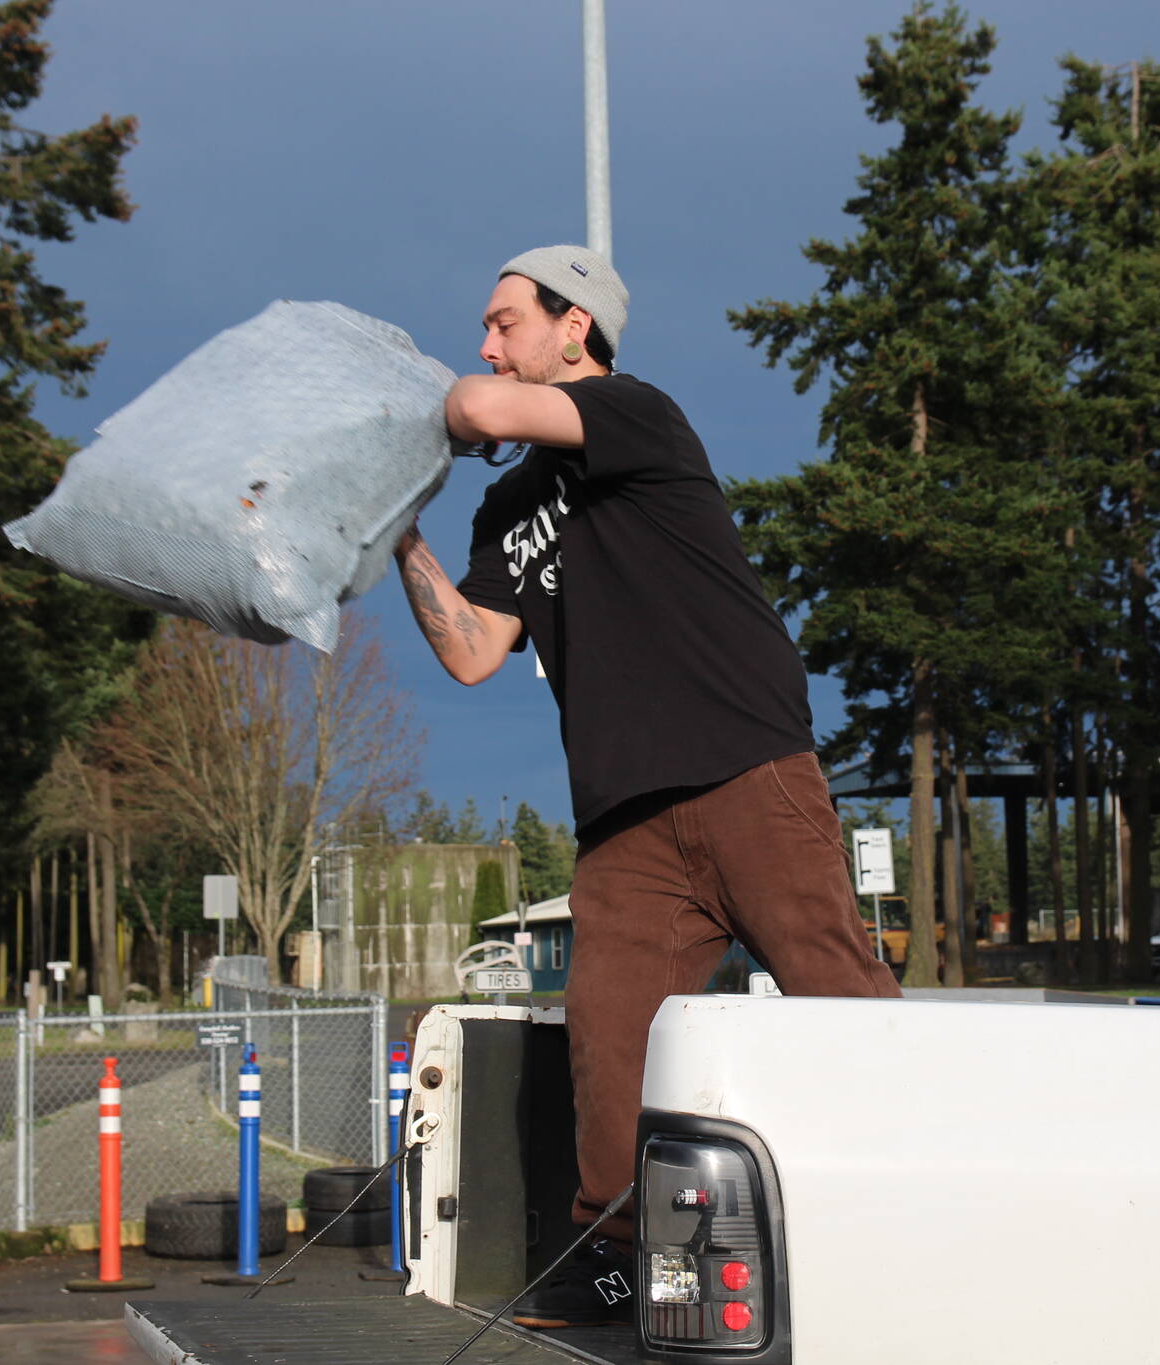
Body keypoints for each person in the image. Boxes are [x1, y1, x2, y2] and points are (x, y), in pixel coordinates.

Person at [394, 245, 901, 1327]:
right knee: (608, 1032)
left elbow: (478, 407)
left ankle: (910, 1209)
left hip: (741, 765)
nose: (485, 344)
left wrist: (403, 415)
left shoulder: (634, 416)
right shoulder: (505, 512)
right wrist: (395, 535)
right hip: (624, 814)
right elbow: (473, 652)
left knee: (836, 993)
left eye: (505, 321)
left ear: (573, 328)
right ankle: (613, 1255)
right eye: (482, 330)